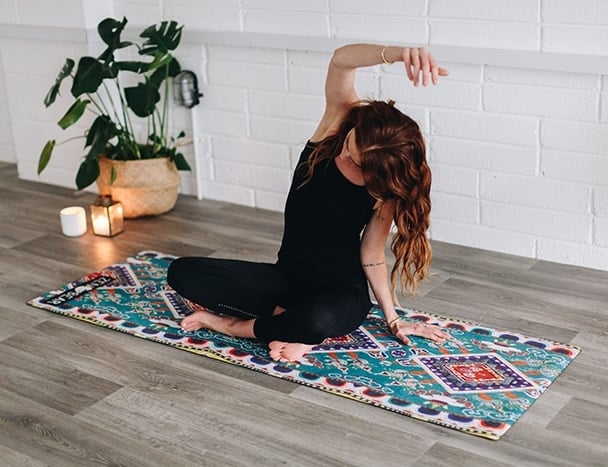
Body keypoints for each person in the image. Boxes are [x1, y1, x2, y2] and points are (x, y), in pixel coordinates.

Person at [167, 43, 450, 363]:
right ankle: (290, 325)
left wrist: (393, 319)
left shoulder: (383, 192)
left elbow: (371, 255)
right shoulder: (338, 121)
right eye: (348, 143)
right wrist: (400, 54)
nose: (343, 154)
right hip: (287, 277)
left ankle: (238, 327)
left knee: (316, 318)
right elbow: (341, 61)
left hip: (341, 293)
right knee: (182, 273)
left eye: (355, 162)